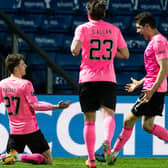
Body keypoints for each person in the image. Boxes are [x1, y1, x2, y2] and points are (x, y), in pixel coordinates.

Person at [95, 12, 168, 164]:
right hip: (152, 88)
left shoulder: (159, 42)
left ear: (147, 26)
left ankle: (113, 154)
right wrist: (139, 83)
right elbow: (155, 70)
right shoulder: (157, 41)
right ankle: (113, 154)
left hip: (152, 91)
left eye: (139, 28)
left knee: (128, 120)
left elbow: (164, 69)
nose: (137, 31)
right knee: (147, 125)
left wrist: (151, 90)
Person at [70, 0, 129, 167]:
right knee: (109, 114)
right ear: (104, 14)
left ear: (88, 14)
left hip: (88, 78)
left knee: (89, 121)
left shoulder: (82, 28)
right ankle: (106, 142)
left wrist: (80, 46)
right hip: (108, 79)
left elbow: (74, 50)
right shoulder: (114, 29)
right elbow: (125, 54)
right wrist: (109, 53)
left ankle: (91, 160)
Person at [0, 53, 71, 165]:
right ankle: (19, 157)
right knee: (48, 161)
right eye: (23, 64)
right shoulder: (25, 84)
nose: (26, 66)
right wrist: (55, 106)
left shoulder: (2, 84)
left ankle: (14, 156)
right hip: (31, 130)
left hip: (14, 131)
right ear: (16, 68)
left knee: (9, 162)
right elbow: (35, 105)